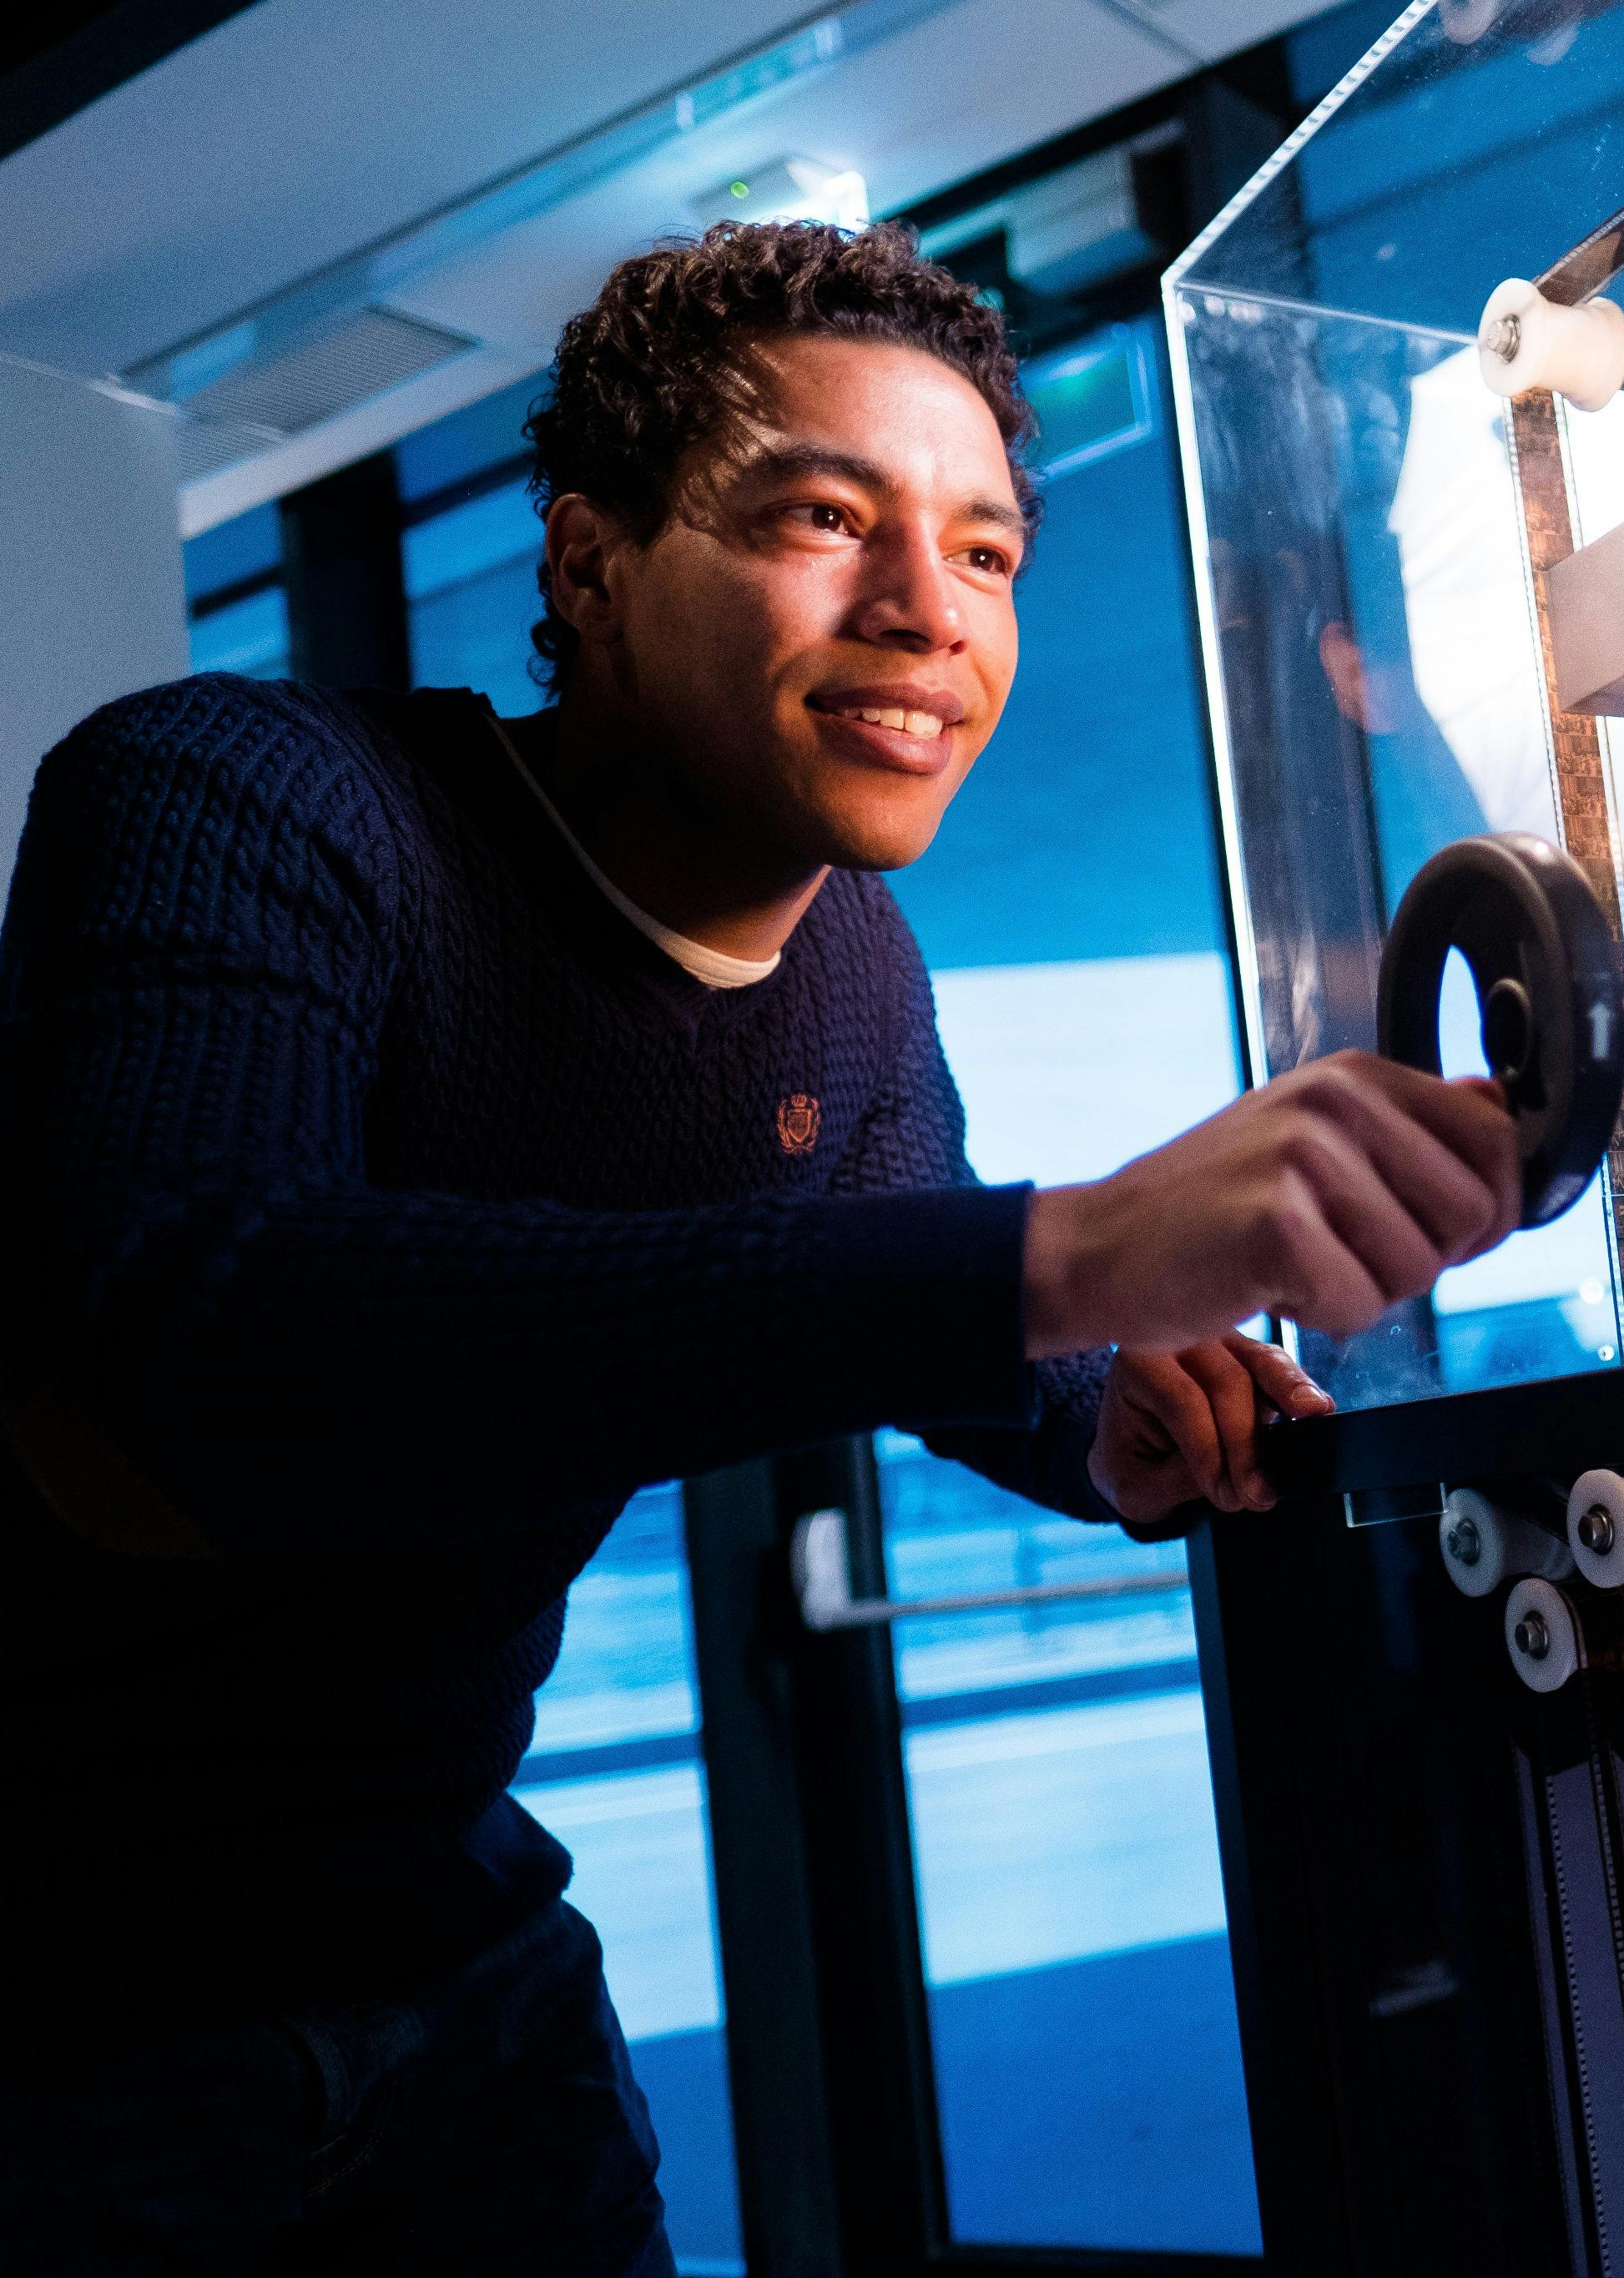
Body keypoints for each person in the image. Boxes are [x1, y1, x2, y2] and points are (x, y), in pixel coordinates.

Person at [0, 219, 1518, 2272]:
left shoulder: (849, 970)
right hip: (57, 1999)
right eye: (825, 516)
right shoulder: (243, 793)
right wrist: (1063, 1261)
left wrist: (1104, 1411)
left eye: (984, 552)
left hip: (445, 1936)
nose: (925, 613)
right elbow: (189, 1357)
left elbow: (897, 1262)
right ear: (587, 568)